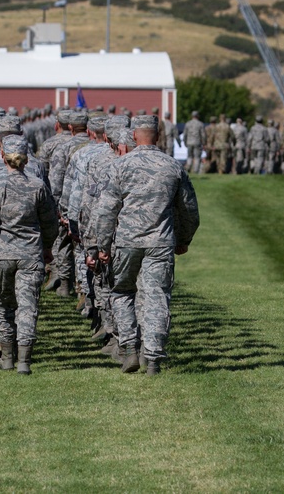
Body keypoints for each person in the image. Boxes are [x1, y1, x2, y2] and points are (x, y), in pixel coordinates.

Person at [95, 115, 200, 376]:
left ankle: (129, 349)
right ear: (157, 135)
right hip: (160, 242)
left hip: (127, 242)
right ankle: (152, 359)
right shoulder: (172, 166)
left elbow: (106, 211)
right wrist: (183, 239)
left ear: (133, 136)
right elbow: (189, 210)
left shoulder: (121, 165)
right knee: (156, 297)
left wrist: (102, 245)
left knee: (122, 293)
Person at [0, 135, 57, 374]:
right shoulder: (37, 186)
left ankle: (8, 357)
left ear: (3, 157)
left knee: (5, 305)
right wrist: (47, 248)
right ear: (26, 160)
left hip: (2, 256)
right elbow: (50, 223)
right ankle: (24, 361)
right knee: (28, 307)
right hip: (31, 254)